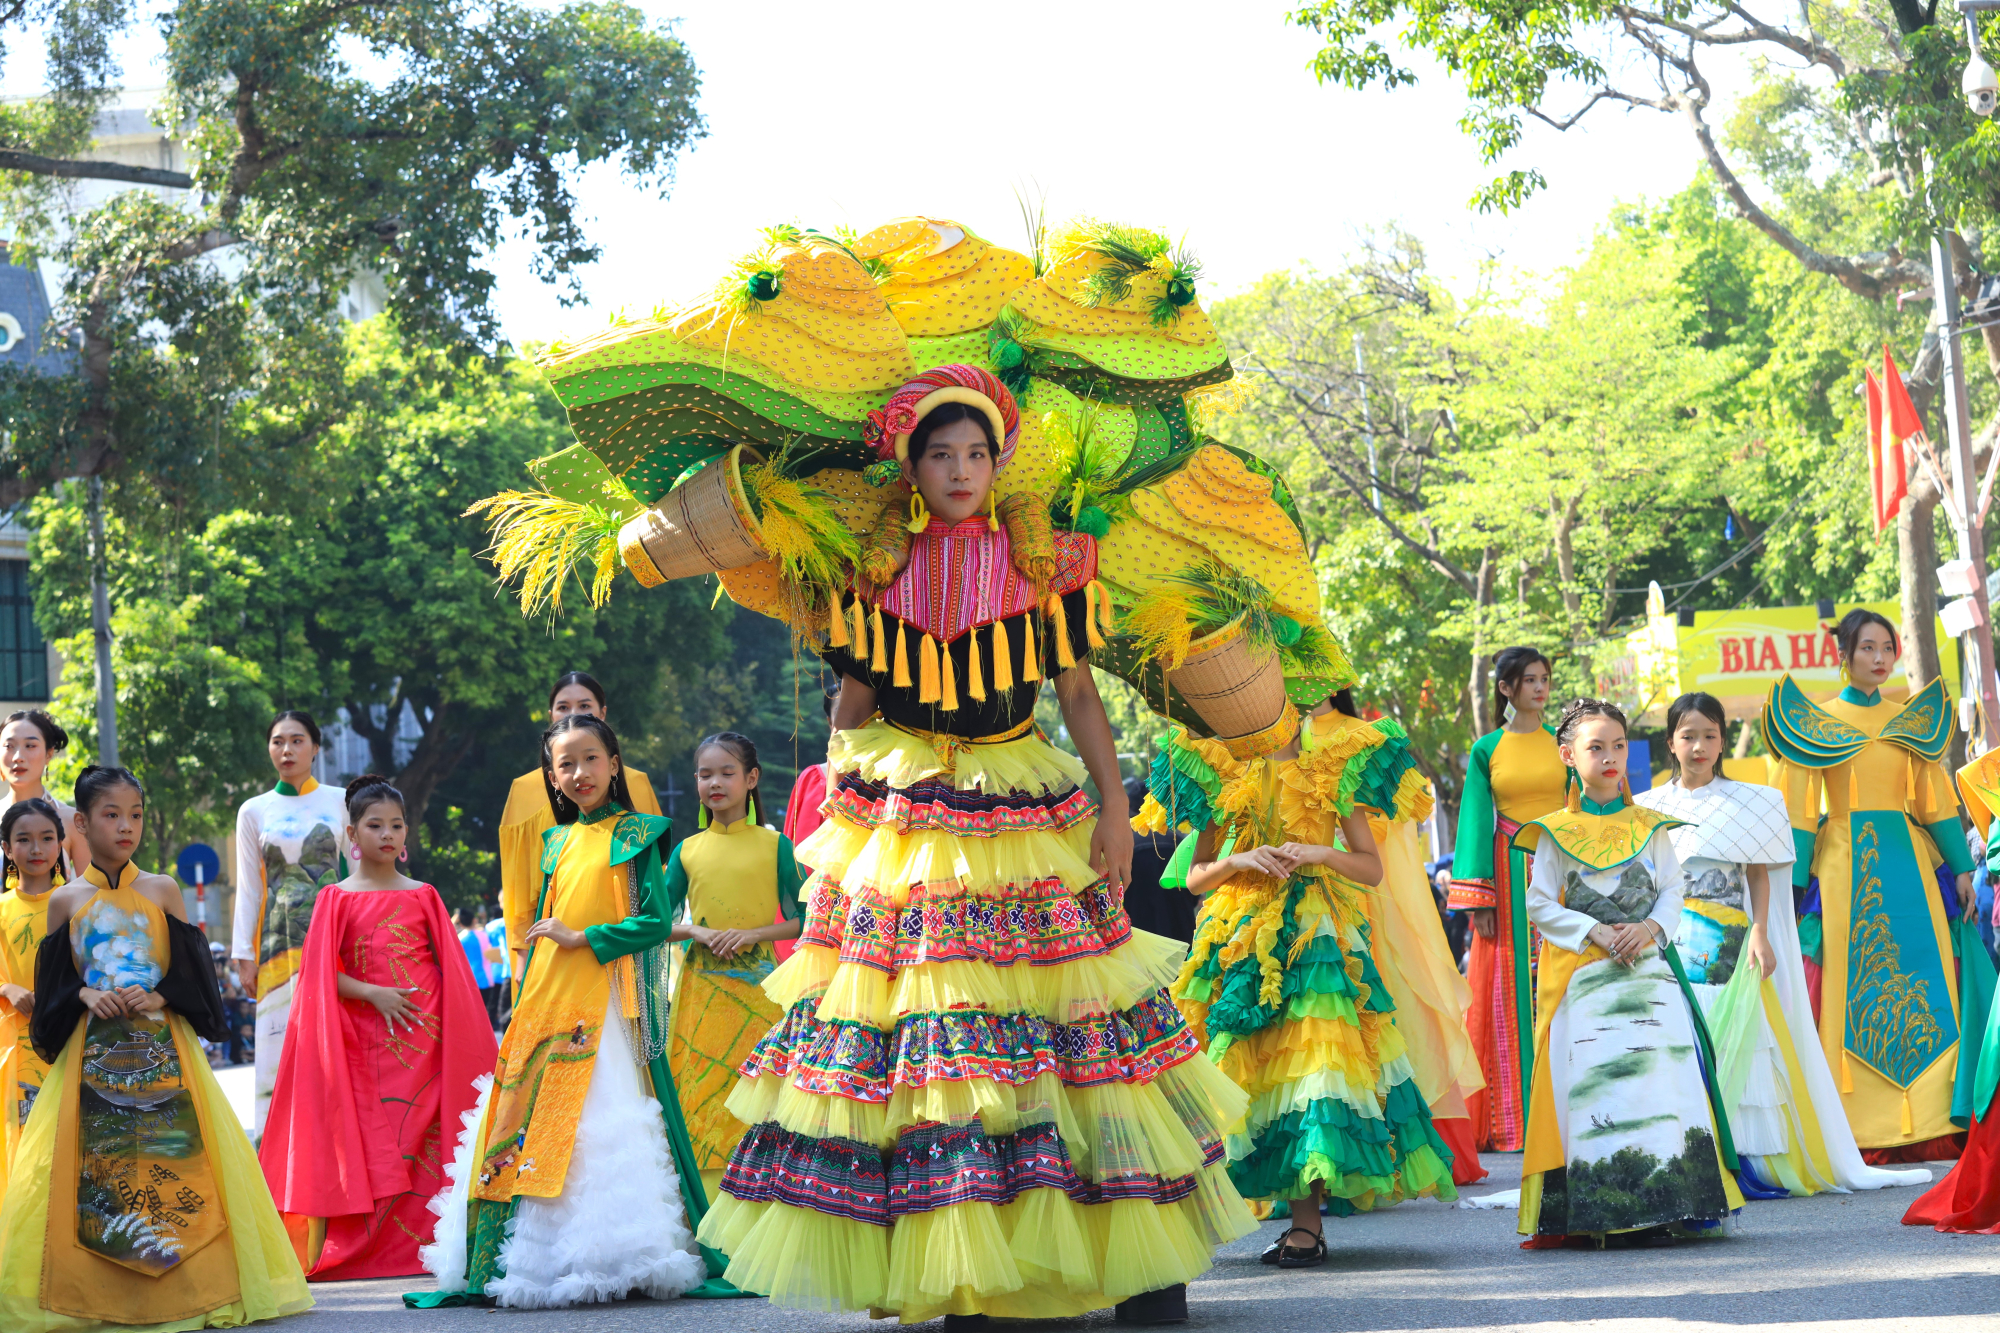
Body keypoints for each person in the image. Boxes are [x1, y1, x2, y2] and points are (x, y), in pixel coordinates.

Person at [695, 365, 1255, 1326]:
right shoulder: (869, 573)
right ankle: (966, 1255)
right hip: (906, 812)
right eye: (940, 454)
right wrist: (838, 795)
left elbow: (1078, 695)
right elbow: (856, 702)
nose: (960, 470)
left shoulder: (1051, 562)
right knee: (928, 1032)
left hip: (1022, 799)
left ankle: (1142, 1257)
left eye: (976, 454)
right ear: (910, 468)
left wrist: (1116, 812)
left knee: (1079, 1013)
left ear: (999, 462)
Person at [414, 715, 731, 1308]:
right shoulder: (554, 842)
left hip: (601, 998)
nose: (579, 773)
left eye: (590, 758)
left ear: (615, 763)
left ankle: (613, 1255)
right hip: (546, 998)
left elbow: (656, 923)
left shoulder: (639, 832)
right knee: (530, 1117)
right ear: (552, 779)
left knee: (590, 1118)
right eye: (565, 764)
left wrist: (583, 937)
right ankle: (534, 1260)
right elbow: (543, 923)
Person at [0, 765, 312, 1328]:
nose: (126, 827)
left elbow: (196, 979)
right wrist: (86, 993)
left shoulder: (163, 889)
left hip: (167, 1051)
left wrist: (161, 994)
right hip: (90, 1059)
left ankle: (197, 1293)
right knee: (99, 1173)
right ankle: (97, 1299)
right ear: (81, 822)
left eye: (135, 815)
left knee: (178, 1164)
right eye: (111, 815)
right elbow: (51, 995)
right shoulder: (65, 903)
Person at [1170, 697, 1461, 1266]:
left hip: (1317, 940)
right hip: (1237, 940)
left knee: (1316, 1068)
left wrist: (1322, 852)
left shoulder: (1332, 768)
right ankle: (1200, 1216)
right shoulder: (1222, 768)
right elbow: (1196, 878)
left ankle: (1307, 1225)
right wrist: (1242, 859)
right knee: (1237, 1069)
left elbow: (1370, 868)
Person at [1637, 691, 1929, 1197]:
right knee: (1680, 1042)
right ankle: (1688, 1153)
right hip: (1672, 943)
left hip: (1729, 943)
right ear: (1670, 743)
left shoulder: (1750, 801)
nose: (1699, 746)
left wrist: (1760, 933)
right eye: (1688, 736)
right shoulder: (1647, 807)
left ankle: (1745, 1161)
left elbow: (1758, 877)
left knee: (1743, 1046)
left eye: (1709, 735)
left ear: (1723, 741)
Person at [1516, 699, 1745, 1245]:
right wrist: (1593, 931)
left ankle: (1671, 1204)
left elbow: (1673, 889)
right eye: (1596, 747)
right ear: (1568, 755)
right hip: (1583, 980)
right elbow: (1538, 902)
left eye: (1619, 745)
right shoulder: (1553, 832)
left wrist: (1649, 931)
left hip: (1649, 975)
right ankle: (1605, 1211)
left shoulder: (1650, 826)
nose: (1611, 757)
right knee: (1596, 1092)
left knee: (1661, 1081)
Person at [259, 775, 497, 1280]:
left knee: (428, 1136)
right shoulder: (335, 899)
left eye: (395, 825)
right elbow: (320, 976)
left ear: (406, 834)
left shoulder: (425, 895)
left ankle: (433, 1242)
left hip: (426, 1037)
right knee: (379, 1137)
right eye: (374, 825)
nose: (386, 834)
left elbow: (451, 969)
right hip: (367, 1043)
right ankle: (372, 1244)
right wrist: (372, 993)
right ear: (352, 834)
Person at [1763, 610, 1975, 1162]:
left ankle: (1932, 1119)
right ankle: (1851, 1125)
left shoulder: (1913, 721)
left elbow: (1935, 804)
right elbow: (1802, 815)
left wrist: (1963, 869)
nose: (1880, 658)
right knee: (1849, 986)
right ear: (1845, 655)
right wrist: (1788, 890)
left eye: (1888, 647)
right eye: (1867, 648)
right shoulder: (1815, 722)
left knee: (1926, 983)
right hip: (1841, 869)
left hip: (1910, 867)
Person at [664, 731, 805, 1203]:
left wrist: (754, 935)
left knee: (759, 1094)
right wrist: (695, 932)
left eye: (727, 773)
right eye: (705, 775)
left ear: (752, 779)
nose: (715, 783)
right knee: (699, 1096)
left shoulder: (776, 846)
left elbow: (806, 919)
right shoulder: (686, 850)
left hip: (760, 995)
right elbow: (656, 923)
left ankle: (762, 1202)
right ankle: (704, 1212)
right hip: (700, 994)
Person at [1448, 646, 1565, 1153]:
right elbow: (1475, 822)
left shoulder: (1567, 744)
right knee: (1508, 993)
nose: (1540, 688)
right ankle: (1512, 1121)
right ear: (1505, 688)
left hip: (1563, 867)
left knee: (1564, 980)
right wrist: (1480, 898)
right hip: (1508, 867)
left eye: (1545, 679)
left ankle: (1564, 1112)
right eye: (1530, 680)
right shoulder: (1486, 748)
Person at [497, 672, 663, 986]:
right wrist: (521, 954)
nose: (574, 715)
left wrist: (582, 936)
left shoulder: (638, 798)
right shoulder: (544, 819)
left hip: (619, 960)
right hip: (550, 958)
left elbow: (654, 905)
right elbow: (520, 887)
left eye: (584, 706)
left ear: (602, 714)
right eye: (563, 707)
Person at [233, 710, 349, 1137]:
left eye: (297, 740)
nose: (287, 749)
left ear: (315, 748)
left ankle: (337, 1140)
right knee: (279, 1041)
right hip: (277, 941)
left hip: (334, 936)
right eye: (278, 741)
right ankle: (279, 1148)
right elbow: (249, 887)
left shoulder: (341, 801)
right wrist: (243, 955)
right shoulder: (253, 810)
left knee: (335, 1040)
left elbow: (358, 875)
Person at [0, 797, 66, 1184]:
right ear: (7, 848)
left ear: (61, 844)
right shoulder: (3, 909)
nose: (36, 849)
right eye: (23, 840)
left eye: (47, 838)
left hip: (69, 1041)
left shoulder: (79, 904)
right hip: (14, 1047)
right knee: (23, 1152)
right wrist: (8, 987)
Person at [0, 711, 88, 881]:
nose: (18, 757)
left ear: (49, 754)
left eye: (30, 746)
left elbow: (92, 894)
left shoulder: (72, 821)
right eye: (9, 746)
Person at [1121, 775, 1197, 946]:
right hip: (1180, 932)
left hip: (1138, 935)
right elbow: (1194, 887)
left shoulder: (1124, 847)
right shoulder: (1180, 842)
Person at [482, 905, 511, 1028]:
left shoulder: (491, 926)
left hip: (496, 970)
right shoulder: (510, 921)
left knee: (496, 1004)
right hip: (508, 968)